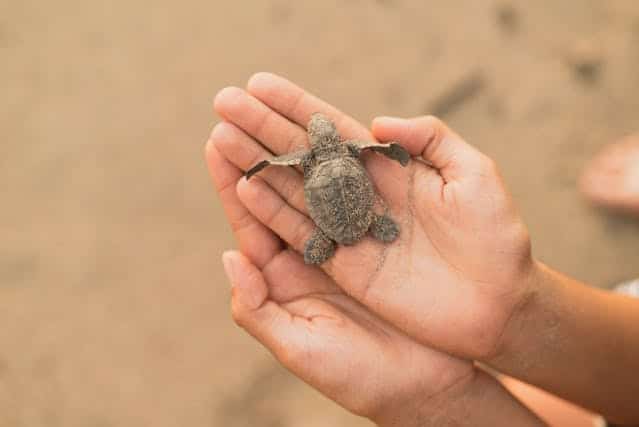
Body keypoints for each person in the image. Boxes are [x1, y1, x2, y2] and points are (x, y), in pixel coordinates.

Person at [205, 72, 639, 426]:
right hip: (367, 217)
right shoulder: (353, 152)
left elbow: (283, 163)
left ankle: (331, 237)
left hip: (331, 220)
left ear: (314, 149)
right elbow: (382, 149)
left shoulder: (309, 163)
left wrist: (436, 404)